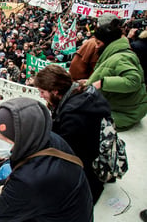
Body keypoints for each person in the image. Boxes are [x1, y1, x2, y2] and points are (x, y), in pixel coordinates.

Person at [35, 64, 111, 203]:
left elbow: (66, 151)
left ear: (56, 91)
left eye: (42, 92)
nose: (41, 95)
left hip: (86, 172)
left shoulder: (73, 114)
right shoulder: (84, 92)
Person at [87, 19, 147, 131]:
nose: (96, 47)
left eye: (98, 43)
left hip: (124, 113)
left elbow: (133, 81)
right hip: (119, 108)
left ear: (108, 42)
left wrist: (102, 83)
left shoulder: (122, 57)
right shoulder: (114, 55)